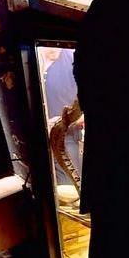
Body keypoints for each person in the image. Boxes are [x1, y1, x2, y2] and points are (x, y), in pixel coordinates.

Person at [41, 47, 84, 185]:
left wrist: (65, 122)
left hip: (66, 135)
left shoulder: (72, 59)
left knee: (69, 184)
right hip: (39, 135)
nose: (52, 49)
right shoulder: (34, 57)